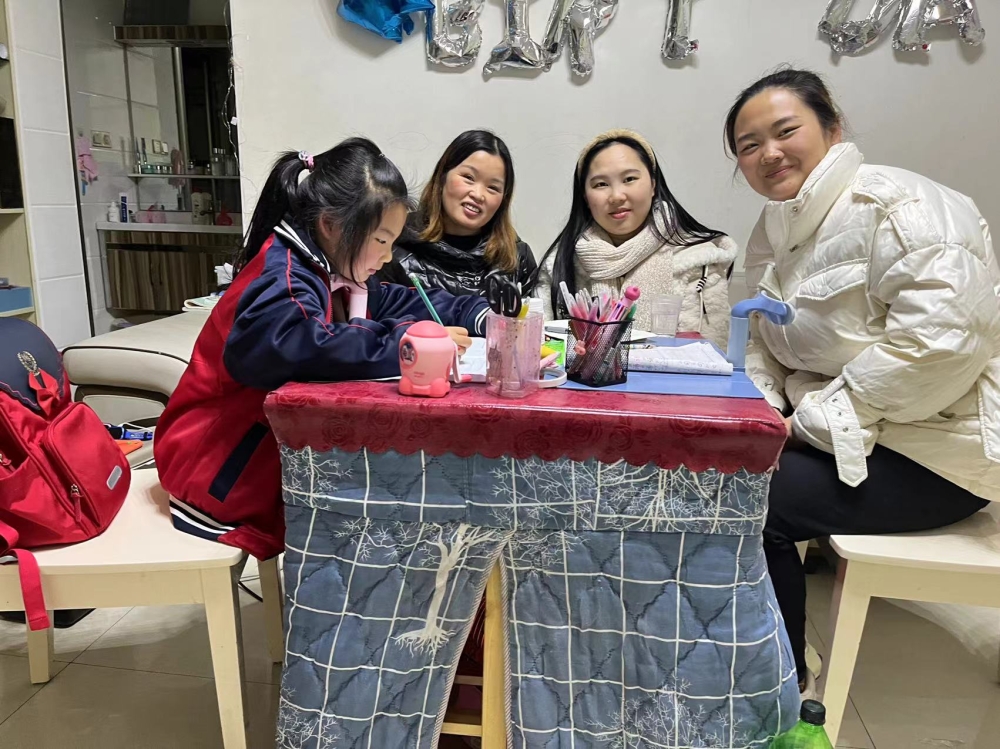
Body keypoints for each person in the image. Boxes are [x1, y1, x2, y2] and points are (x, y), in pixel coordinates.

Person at [725, 67, 1000, 696]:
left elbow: (940, 345)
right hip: (844, 435)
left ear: (832, 126)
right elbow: (766, 338)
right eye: (748, 144)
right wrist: (764, 413)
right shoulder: (776, 230)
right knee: (723, 472)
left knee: (752, 501)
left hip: (937, 452)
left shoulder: (904, 206)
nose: (769, 153)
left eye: (785, 131)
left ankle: (778, 689)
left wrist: (803, 426)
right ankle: (748, 656)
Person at [154, 139, 491, 560]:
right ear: (331, 225)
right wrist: (405, 345)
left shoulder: (327, 267)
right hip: (214, 471)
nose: (388, 256)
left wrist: (477, 314)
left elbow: (395, 299)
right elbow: (299, 345)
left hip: (246, 461)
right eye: (381, 240)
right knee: (390, 512)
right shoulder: (284, 275)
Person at [536, 129, 738, 345]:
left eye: (629, 179)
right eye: (601, 184)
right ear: (585, 196)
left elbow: (713, 352)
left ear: (653, 184)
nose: (616, 196)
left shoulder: (698, 261)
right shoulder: (560, 262)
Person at [378, 130, 537, 296]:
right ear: (443, 176)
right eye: (469, 177)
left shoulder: (516, 258)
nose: (478, 195)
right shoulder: (393, 246)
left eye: (492, 187)